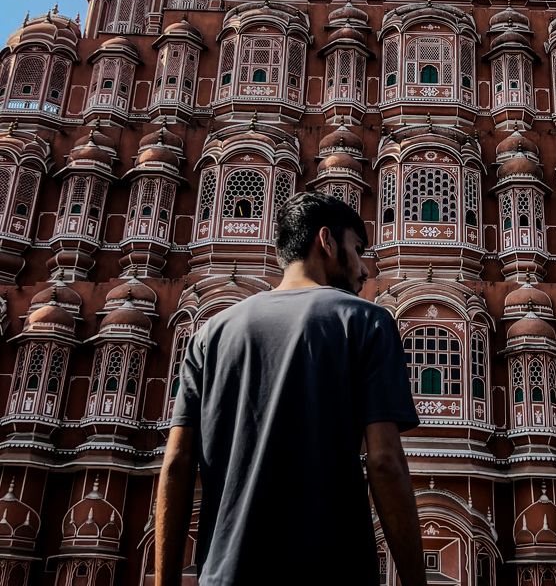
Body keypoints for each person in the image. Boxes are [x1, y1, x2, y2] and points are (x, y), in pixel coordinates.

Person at [155, 192, 426, 586]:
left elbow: (177, 465)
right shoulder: (365, 322)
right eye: (357, 249)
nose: (365, 269)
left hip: (224, 571)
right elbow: (384, 462)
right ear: (326, 241)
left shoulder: (209, 335)